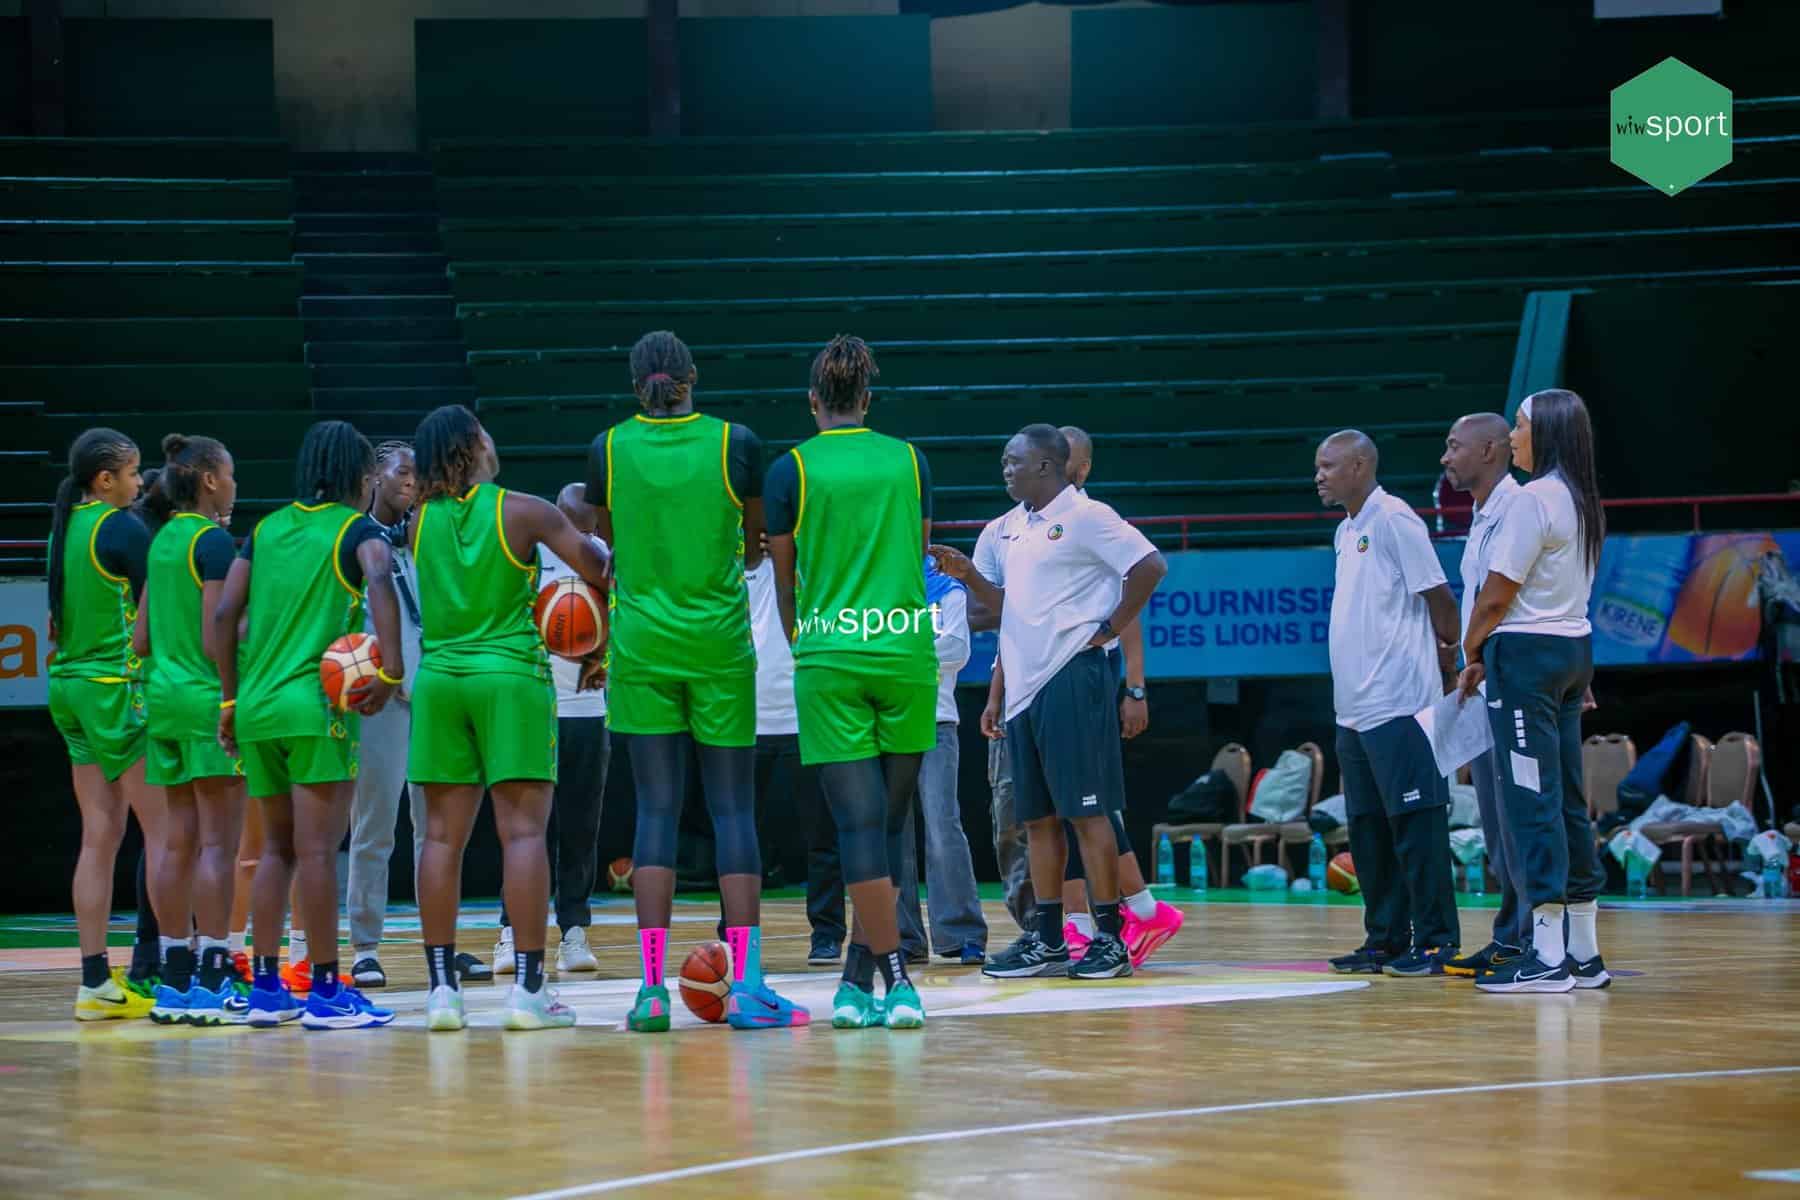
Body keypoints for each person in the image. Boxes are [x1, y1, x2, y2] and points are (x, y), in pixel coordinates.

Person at [587, 330, 805, 1033]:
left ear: (634, 385)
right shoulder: (736, 442)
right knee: (733, 812)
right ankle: (748, 986)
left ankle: (651, 991)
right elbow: (754, 548)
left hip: (641, 646)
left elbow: (609, 544)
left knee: (654, 813)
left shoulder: (607, 448)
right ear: (693, 376)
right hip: (717, 645)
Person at [936, 424, 1167, 982]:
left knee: (1087, 812)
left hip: (1072, 677)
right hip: (1024, 687)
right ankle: (1048, 940)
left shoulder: (1088, 516)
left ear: (1045, 465)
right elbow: (1000, 609)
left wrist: (1108, 628)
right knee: (1037, 820)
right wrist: (968, 576)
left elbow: (1150, 566)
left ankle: (1109, 939)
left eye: (1013, 461)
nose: (1005, 469)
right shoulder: (1010, 528)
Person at [409, 408, 609, 1031]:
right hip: (510, 677)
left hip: (440, 681)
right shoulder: (524, 511)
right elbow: (599, 569)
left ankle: (442, 992)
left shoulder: (419, 520)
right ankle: (528, 990)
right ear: (474, 445)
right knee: (522, 836)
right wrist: (596, 635)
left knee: (440, 839)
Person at [766, 334, 935, 1029]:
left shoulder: (790, 470)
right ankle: (860, 980)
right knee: (887, 827)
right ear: (867, 399)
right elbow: (918, 557)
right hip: (905, 652)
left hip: (830, 655)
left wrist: (805, 644)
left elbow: (784, 583)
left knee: (858, 828)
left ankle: (889, 980)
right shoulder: (910, 460)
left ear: (813, 402)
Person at [215, 420, 402, 1031]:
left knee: (276, 850)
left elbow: (224, 614)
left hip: (256, 706)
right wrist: (392, 671)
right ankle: (325, 991)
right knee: (319, 852)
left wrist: (229, 701)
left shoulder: (265, 529)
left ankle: (267, 989)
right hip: (316, 708)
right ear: (360, 476)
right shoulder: (356, 530)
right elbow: (380, 578)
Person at [1458, 390, 1609, 994]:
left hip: (1525, 658)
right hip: (1573, 653)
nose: (1514, 437)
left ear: (1544, 433)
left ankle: (1546, 955)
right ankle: (1585, 954)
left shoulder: (1533, 499)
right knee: (1567, 800)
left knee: (1530, 800)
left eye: (1520, 427)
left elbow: (1497, 595)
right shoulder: (1582, 500)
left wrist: (1470, 649)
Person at [1315, 430, 1462, 978]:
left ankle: (1438, 941)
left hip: (1401, 703)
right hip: (1353, 709)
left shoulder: (1396, 519)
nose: (1319, 476)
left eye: (1328, 466)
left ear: (1359, 466)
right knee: (1369, 832)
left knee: (1417, 827)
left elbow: (1440, 598)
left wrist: (1449, 656)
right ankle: (1385, 940)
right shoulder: (1346, 530)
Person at [1054, 426, 1183, 967]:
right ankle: (1114, 914)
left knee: (1084, 801)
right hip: (1044, 676)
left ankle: (1102, 918)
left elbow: (1127, 608)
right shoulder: (1027, 524)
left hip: (1088, 672)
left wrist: (1134, 686)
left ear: (1082, 468)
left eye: (1063, 457)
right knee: (1066, 802)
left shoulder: (1093, 519)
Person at [135, 435, 249, 1025]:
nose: (234, 484)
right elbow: (214, 639)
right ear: (208, 480)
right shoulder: (213, 542)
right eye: (229, 474)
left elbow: (141, 640)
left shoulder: (160, 540)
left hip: (163, 703)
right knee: (218, 846)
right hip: (208, 704)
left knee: (176, 842)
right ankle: (215, 971)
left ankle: (174, 974)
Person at [48, 429, 161, 1021]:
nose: (139, 483)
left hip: (68, 688)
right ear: (105, 479)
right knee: (168, 835)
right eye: (133, 472)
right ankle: (180, 974)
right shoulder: (121, 528)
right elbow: (158, 611)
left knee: (99, 835)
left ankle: (94, 980)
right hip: (116, 688)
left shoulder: (64, 526)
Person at [493, 482, 614, 977]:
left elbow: (622, 616)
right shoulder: (530, 555)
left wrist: (604, 653)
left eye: (586, 527)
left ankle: (574, 930)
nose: (580, 534)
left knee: (581, 828)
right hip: (535, 704)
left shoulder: (605, 559)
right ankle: (510, 931)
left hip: (586, 709)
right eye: (572, 525)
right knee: (525, 830)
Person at [1438, 414, 1531, 978]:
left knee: (1518, 818)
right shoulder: (1482, 514)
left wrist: (1470, 652)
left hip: (1511, 675)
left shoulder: (1518, 508)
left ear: (1491, 449)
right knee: (1497, 824)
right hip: (1486, 677)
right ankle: (1509, 934)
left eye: (1455, 447)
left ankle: (1533, 939)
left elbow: (1501, 602)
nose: (1445, 458)